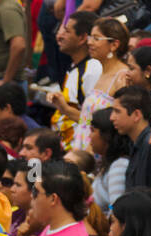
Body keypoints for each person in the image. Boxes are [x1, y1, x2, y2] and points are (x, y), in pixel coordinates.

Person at [47, 11, 104, 152]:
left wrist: (64, 109)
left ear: (82, 38)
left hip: (80, 154)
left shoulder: (92, 70)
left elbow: (96, 121)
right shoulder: (73, 68)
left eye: (66, 31)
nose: (60, 36)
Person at [73, 18, 130, 154]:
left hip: (98, 152)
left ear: (114, 45)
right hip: (83, 148)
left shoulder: (122, 77)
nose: (89, 42)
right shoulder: (101, 73)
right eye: (90, 37)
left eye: (96, 38)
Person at [111, 88, 151, 192]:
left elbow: (144, 193)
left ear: (136, 115)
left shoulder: (149, 144)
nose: (112, 117)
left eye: (117, 111)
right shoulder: (135, 143)